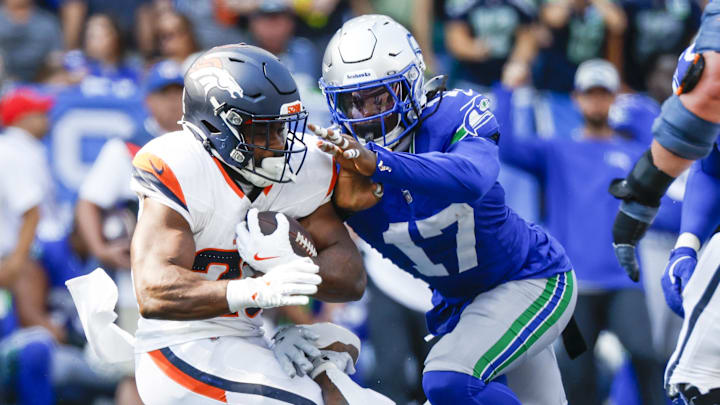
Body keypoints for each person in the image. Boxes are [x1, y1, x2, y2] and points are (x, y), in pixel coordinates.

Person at [304, 14, 577, 404]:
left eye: (379, 97)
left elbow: (474, 176)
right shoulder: (338, 166)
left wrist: (379, 163)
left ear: (411, 84)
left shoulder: (451, 115)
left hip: (529, 280)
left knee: (447, 378)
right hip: (464, 306)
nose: (365, 115)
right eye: (352, 101)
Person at [113, 44, 371, 404]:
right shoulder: (181, 165)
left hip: (250, 338)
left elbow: (351, 278)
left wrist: (297, 266)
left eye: (283, 127)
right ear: (217, 127)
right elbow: (154, 291)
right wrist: (256, 290)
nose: (282, 143)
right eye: (264, 130)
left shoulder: (299, 172)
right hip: (178, 348)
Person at [496, 59, 666, 405]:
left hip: (623, 284)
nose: (596, 102)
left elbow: (664, 158)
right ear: (576, 98)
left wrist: (637, 111)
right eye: (590, 94)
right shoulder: (557, 151)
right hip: (574, 290)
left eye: (604, 94)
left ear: (614, 98)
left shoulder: (632, 151)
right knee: (577, 376)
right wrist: (508, 89)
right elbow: (508, 145)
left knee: (648, 357)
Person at [609, 2, 720, 403]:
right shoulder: (638, 110)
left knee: (693, 379)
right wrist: (688, 244)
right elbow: (711, 167)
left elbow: (685, 129)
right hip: (670, 241)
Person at [75, 60, 184, 271]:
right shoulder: (125, 148)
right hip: (143, 266)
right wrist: (100, 250)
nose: (173, 102)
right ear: (148, 101)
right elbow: (87, 203)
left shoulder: (203, 144)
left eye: (178, 93)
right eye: (164, 94)